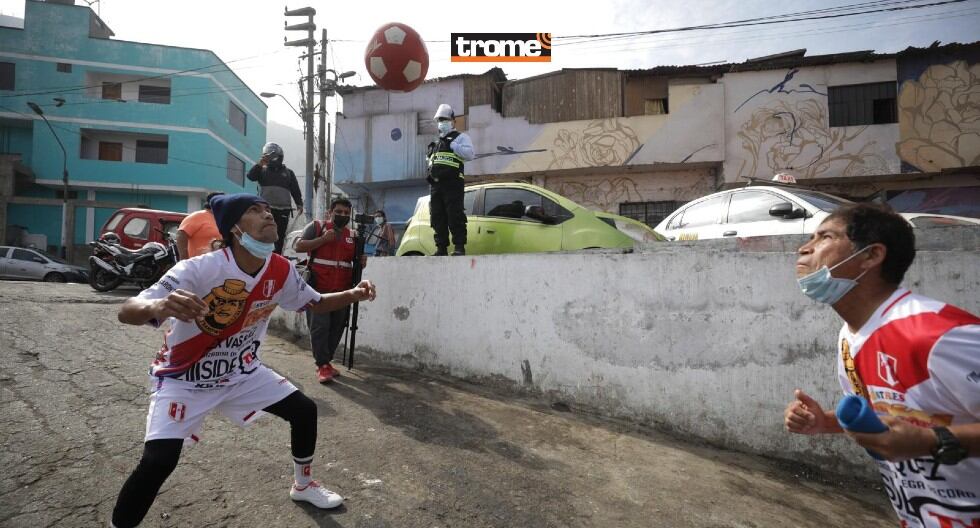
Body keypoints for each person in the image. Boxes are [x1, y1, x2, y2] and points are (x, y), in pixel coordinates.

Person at [109, 193, 376, 528]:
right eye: (255, 211)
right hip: (185, 378)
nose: (267, 216)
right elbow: (127, 310)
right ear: (235, 228)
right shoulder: (199, 268)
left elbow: (315, 301)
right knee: (159, 461)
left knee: (304, 410)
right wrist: (159, 306)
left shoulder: (280, 268)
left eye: (267, 210)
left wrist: (355, 294)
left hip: (241, 372)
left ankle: (303, 484)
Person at [783, 203, 979, 528]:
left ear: (872, 256)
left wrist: (935, 442)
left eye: (824, 236)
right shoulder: (851, 336)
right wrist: (825, 422)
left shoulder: (938, 334)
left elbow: (924, 435)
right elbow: (897, 419)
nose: (804, 248)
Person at [293, 198, 366, 383]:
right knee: (320, 327)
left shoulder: (353, 235)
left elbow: (351, 262)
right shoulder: (317, 226)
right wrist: (322, 239)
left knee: (337, 328)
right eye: (338, 212)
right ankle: (322, 365)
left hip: (342, 291)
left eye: (346, 213)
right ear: (330, 212)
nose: (342, 216)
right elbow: (298, 246)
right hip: (318, 289)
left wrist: (361, 262)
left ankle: (326, 362)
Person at [426, 103, 474, 256]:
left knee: (455, 215)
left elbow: (470, 154)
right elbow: (431, 162)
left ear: (453, 120)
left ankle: (459, 247)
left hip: (453, 184)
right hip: (436, 186)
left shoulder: (460, 138)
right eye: (440, 120)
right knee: (437, 217)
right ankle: (441, 248)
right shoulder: (436, 144)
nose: (442, 122)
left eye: (445, 119)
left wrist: (454, 146)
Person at [247, 142, 304, 254]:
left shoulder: (288, 173)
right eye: (269, 156)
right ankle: (261, 257)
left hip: (283, 211)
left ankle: (276, 259)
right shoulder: (261, 170)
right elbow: (250, 176)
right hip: (265, 210)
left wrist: (299, 204)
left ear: (280, 156)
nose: (273, 159)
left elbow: (295, 190)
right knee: (263, 234)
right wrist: (260, 164)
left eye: (274, 156)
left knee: (279, 237)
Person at [175, 191, 224, 260]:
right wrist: (184, 259)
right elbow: (181, 235)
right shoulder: (197, 216)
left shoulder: (220, 219)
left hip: (216, 264)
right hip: (197, 264)